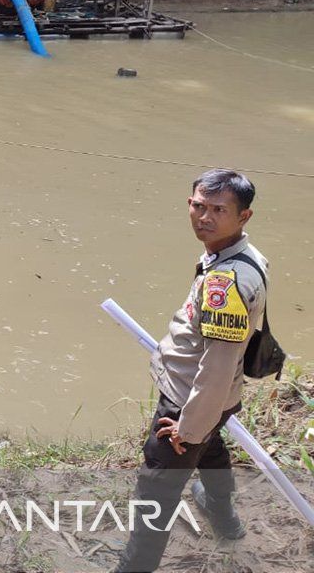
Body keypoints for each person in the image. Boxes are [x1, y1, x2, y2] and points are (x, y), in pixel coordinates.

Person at [115, 170, 268, 572]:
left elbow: (215, 369)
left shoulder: (226, 283)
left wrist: (188, 427)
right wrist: (205, 424)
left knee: (156, 493)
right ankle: (224, 517)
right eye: (199, 206)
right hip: (218, 400)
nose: (205, 217)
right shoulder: (240, 257)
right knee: (212, 450)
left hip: (188, 401)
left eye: (219, 210)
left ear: (244, 216)